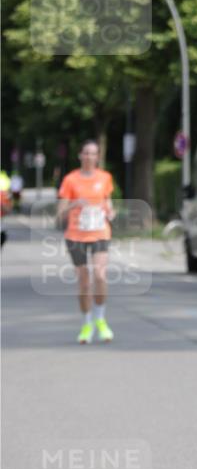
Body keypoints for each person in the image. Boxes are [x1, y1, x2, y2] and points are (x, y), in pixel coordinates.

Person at [57, 140, 116, 344]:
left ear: (98, 157)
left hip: (100, 232)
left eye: (93, 154)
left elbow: (108, 202)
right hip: (76, 235)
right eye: (86, 153)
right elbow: (59, 213)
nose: (90, 157)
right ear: (80, 156)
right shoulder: (70, 180)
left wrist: (111, 211)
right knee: (84, 282)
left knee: (100, 275)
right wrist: (74, 204)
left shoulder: (105, 178)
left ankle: (100, 319)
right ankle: (86, 323)